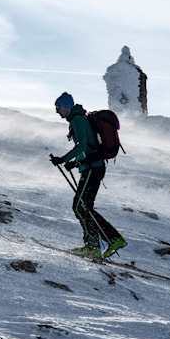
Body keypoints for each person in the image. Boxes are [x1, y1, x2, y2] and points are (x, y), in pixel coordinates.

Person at [50, 92, 126, 258]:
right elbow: (88, 146)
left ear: (66, 106)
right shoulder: (79, 119)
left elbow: (83, 146)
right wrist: (75, 163)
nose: (57, 112)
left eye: (58, 108)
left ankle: (93, 246)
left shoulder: (78, 120)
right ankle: (113, 240)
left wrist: (63, 159)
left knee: (80, 206)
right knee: (84, 207)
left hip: (92, 168)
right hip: (92, 167)